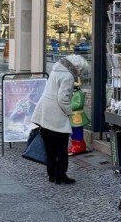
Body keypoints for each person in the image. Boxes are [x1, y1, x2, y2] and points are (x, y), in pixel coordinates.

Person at [29, 54, 89, 186]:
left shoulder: (56, 69)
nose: (79, 73)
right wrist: (69, 113)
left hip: (45, 112)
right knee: (61, 148)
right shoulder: (68, 76)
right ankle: (61, 175)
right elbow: (63, 99)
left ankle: (51, 174)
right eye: (80, 70)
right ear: (77, 67)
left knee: (49, 148)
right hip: (56, 115)